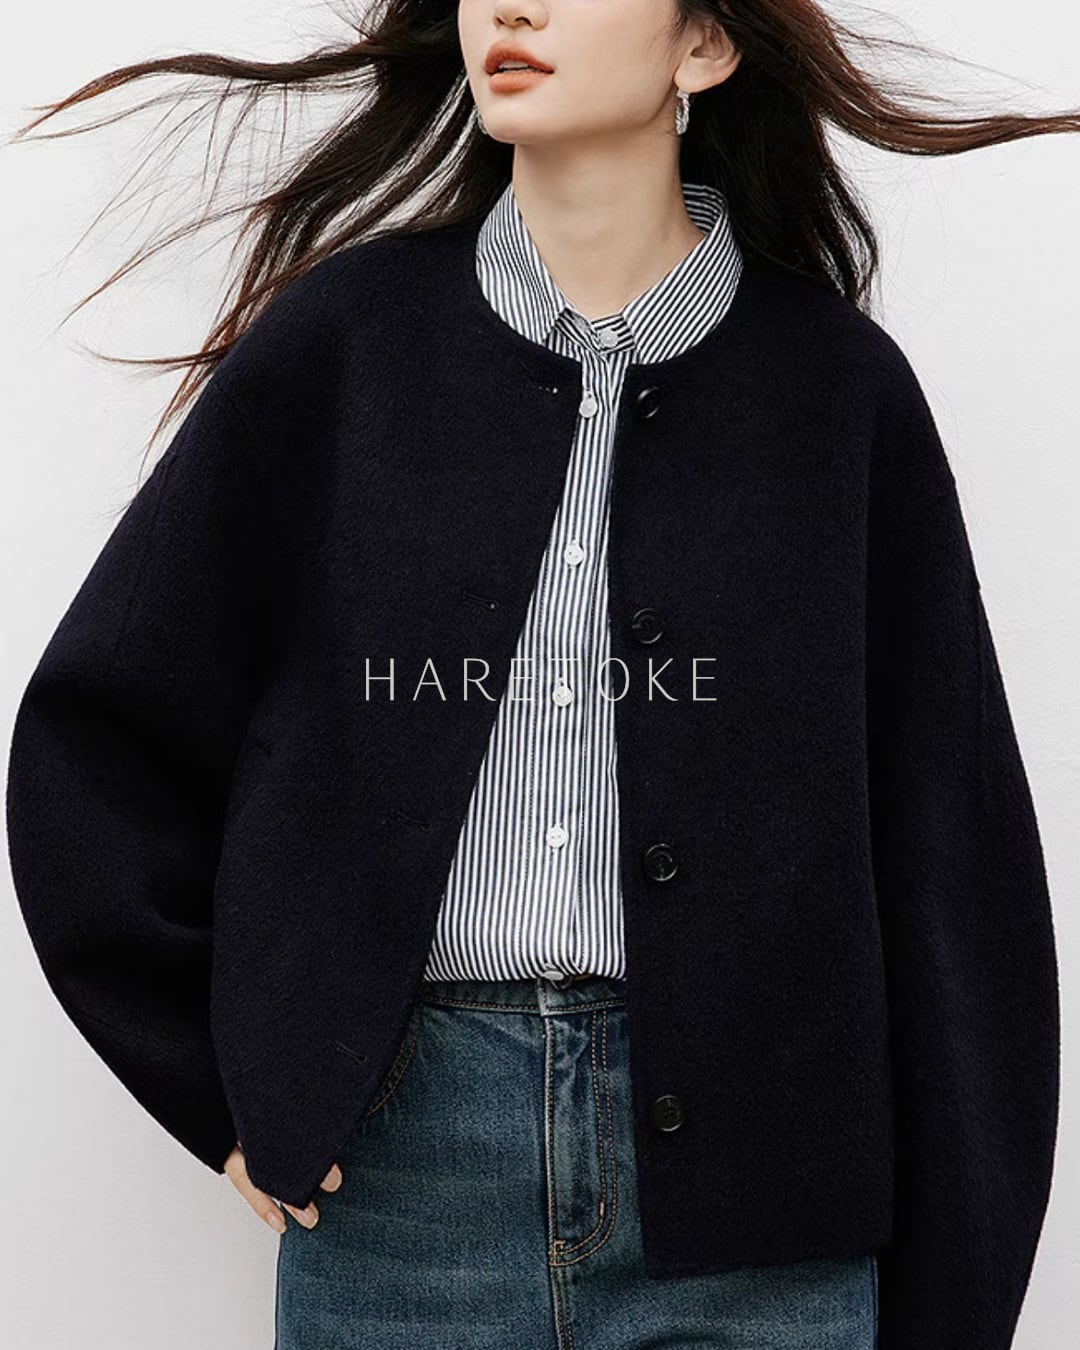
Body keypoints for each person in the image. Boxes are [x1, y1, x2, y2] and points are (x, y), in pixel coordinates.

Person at [5, 2, 1069, 1347]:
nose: (511, 6)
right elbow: (100, 740)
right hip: (404, 1184)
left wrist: (957, 1287)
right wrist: (230, 1087)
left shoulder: (836, 395)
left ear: (704, 48)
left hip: (765, 1204)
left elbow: (954, 867)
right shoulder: (343, 348)